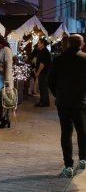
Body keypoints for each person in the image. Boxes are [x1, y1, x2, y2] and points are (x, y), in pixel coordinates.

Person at [48, 34, 86, 178]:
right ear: (81, 44)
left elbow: (50, 81)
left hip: (63, 102)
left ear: (69, 44)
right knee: (82, 131)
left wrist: (58, 95)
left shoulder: (58, 59)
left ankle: (68, 166)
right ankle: (83, 159)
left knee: (66, 132)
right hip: (81, 102)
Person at [0, 33, 14, 129]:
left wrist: (7, 81)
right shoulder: (0, 49)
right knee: (1, 100)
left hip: (4, 79)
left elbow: (8, 66)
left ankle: (3, 118)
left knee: (4, 100)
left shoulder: (6, 50)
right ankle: (4, 118)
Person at [34, 38, 51, 107]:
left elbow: (42, 64)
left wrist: (38, 72)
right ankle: (44, 101)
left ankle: (44, 102)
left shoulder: (44, 52)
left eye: (38, 43)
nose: (37, 44)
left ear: (42, 44)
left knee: (43, 87)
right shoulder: (43, 51)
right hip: (43, 72)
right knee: (42, 87)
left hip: (43, 73)